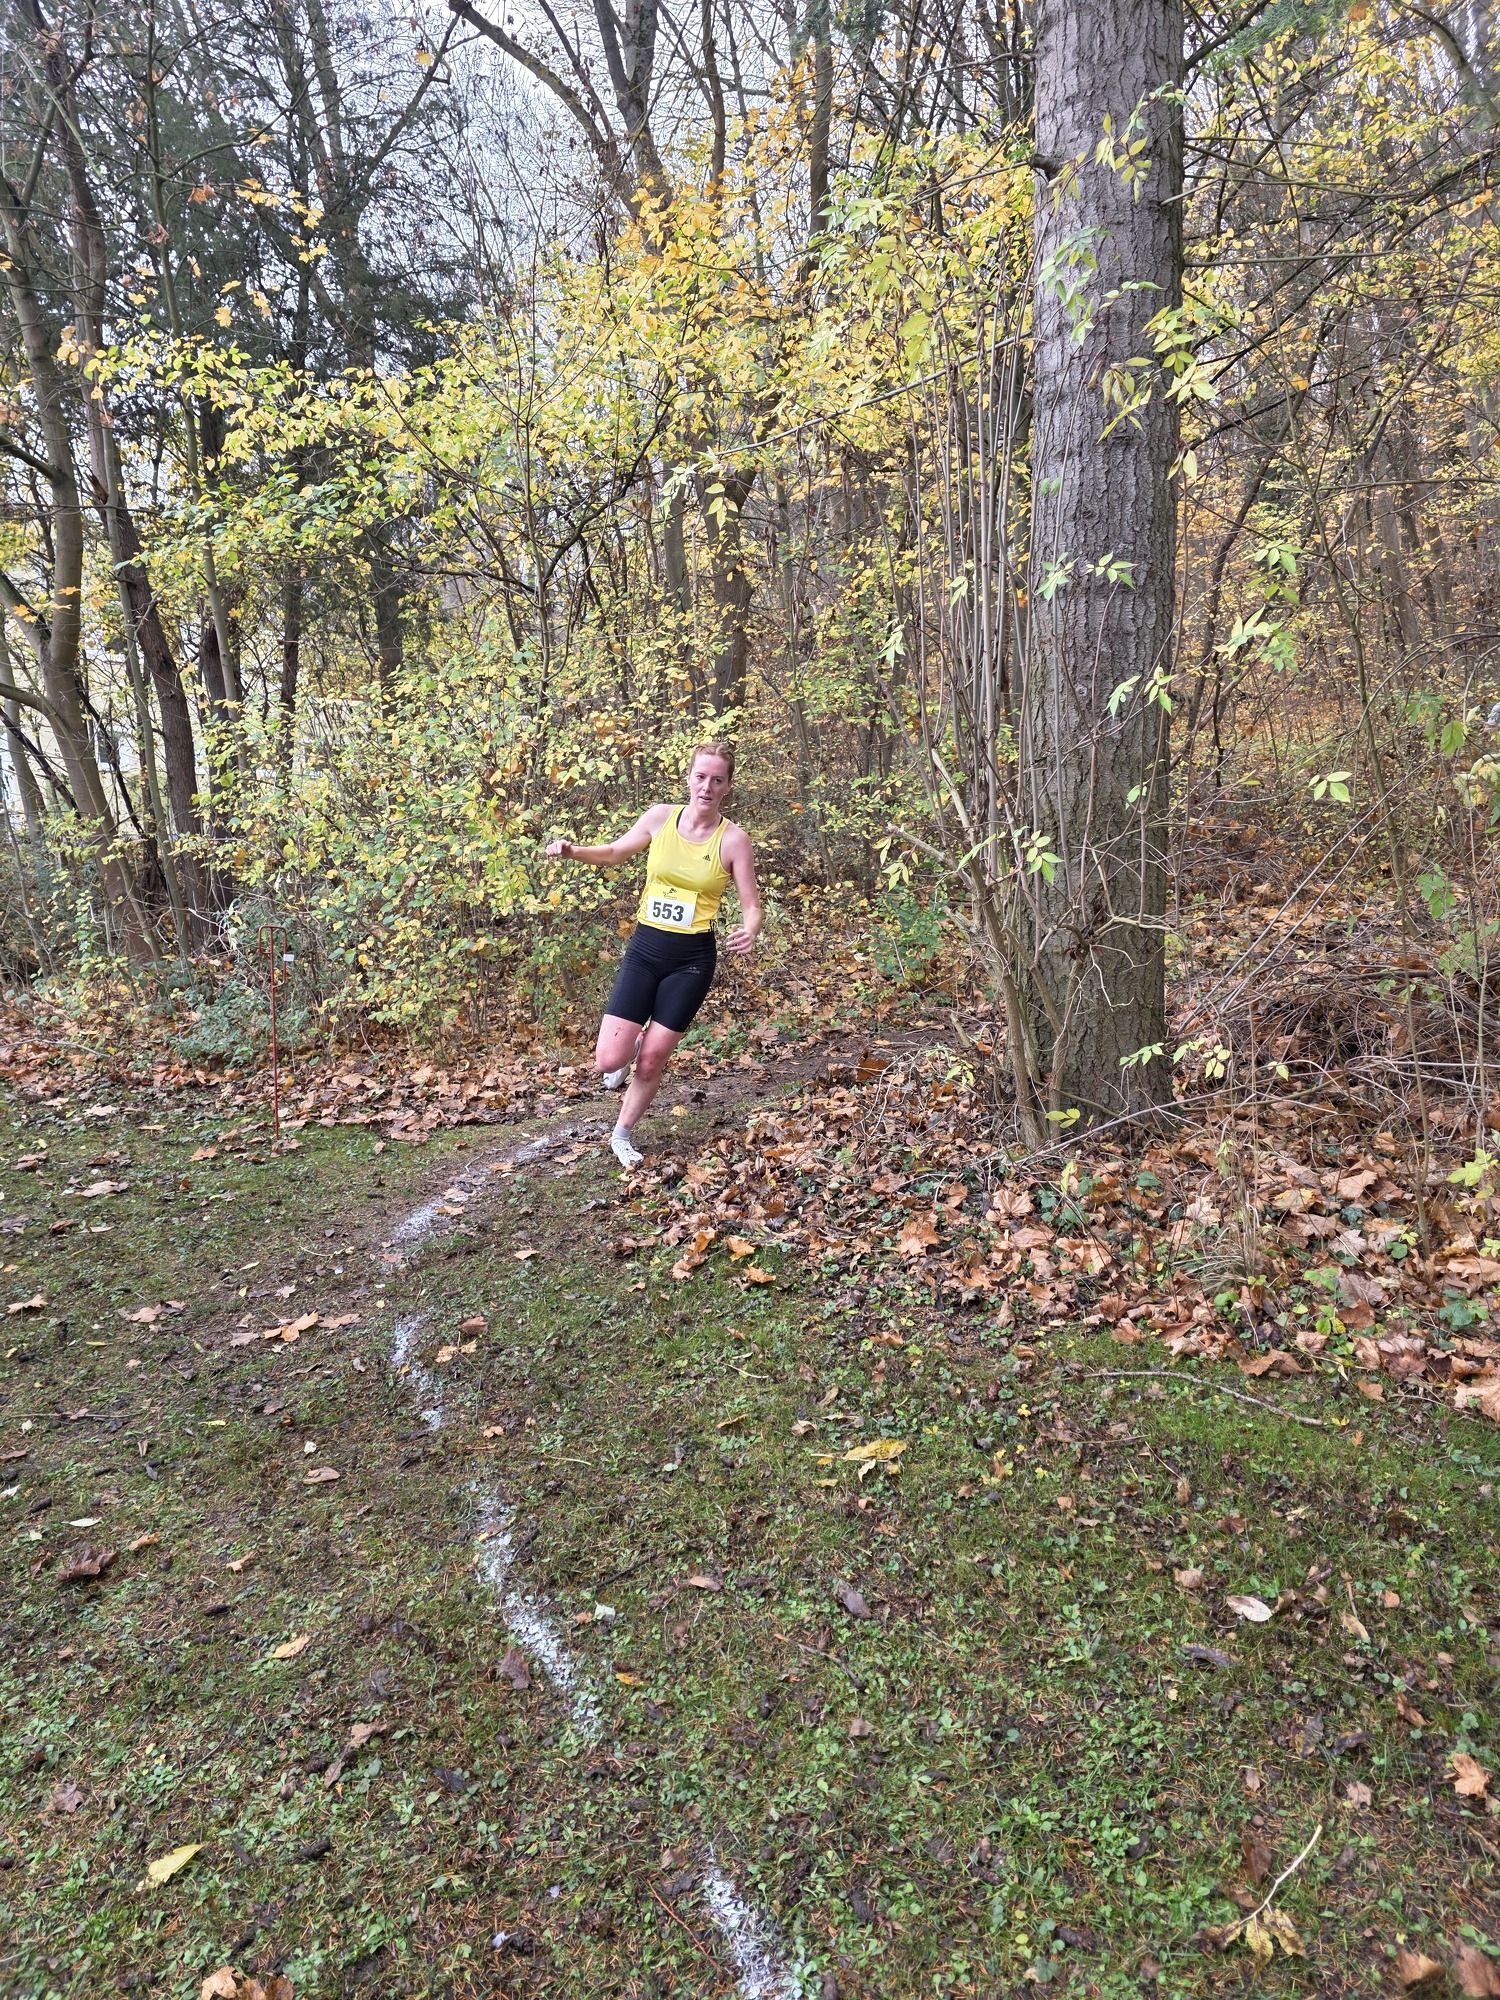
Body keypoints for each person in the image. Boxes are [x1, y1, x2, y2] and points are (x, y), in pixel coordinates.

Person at [545, 742, 762, 1169]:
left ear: (728, 786)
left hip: (692, 960)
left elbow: (751, 905)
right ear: (689, 778)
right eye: (700, 777)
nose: (707, 787)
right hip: (646, 949)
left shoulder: (734, 840)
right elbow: (614, 853)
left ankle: (621, 1135)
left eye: (717, 780)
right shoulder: (660, 818)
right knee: (608, 1060)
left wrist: (750, 929)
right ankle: (628, 1049)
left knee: (652, 1061)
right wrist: (574, 851)